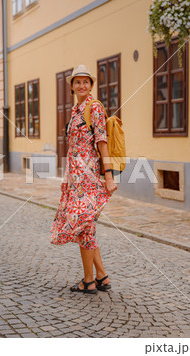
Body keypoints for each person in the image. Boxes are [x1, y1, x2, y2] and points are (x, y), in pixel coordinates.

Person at [50, 64, 117, 294]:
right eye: (77, 82)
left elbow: (102, 143)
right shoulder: (75, 110)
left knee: (84, 227)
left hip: (88, 176)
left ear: (91, 85)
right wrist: (67, 177)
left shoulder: (94, 108)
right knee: (85, 227)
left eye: (86, 82)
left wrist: (108, 176)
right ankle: (102, 277)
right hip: (75, 179)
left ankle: (88, 281)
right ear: (72, 87)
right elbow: (72, 148)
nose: (82, 85)